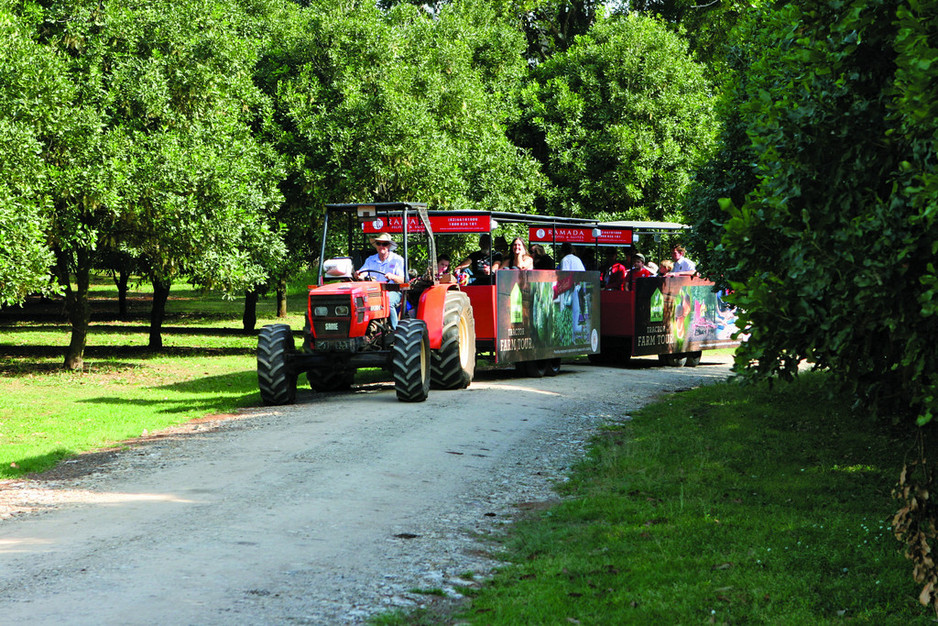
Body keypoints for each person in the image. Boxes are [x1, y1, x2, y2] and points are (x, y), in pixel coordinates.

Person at [355, 232, 406, 328]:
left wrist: (393, 277)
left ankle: (395, 329)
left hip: (392, 291)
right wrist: (358, 274)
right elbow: (362, 272)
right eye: (379, 243)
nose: (381, 246)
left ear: (389, 245)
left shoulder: (397, 260)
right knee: (357, 303)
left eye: (384, 244)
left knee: (388, 302)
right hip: (373, 292)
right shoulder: (370, 260)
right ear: (376, 245)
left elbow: (403, 280)